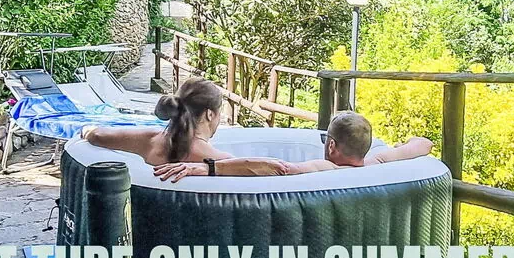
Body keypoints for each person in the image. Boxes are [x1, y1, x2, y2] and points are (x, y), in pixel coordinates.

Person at [152, 111, 433, 182]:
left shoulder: (326, 168)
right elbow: (423, 145)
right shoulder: (378, 162)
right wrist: (405, 144)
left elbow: (278, 169)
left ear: (332, 145)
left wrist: (207, 168)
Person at [83, 77, 233, 166]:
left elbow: (96, 135)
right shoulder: (221, 161)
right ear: (209, 114)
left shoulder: (151, 140)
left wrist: (86, 129)